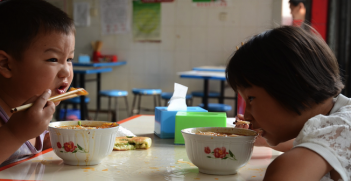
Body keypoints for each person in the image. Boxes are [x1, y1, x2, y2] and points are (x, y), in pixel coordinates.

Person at [226, 26, 349, 181]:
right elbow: (311, 142)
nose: (248, 115)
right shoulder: (334, 117)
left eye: (251, 99)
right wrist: (266, 139)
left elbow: (286, 172)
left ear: (295, 84)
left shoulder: (343, 125)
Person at [0, 0, 75, 166]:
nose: (66, 72)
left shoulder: (37, 110)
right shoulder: (13, 122)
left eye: (69, 59)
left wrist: (48, 145)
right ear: (6, 64)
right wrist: (14, 133)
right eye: (53, 59)